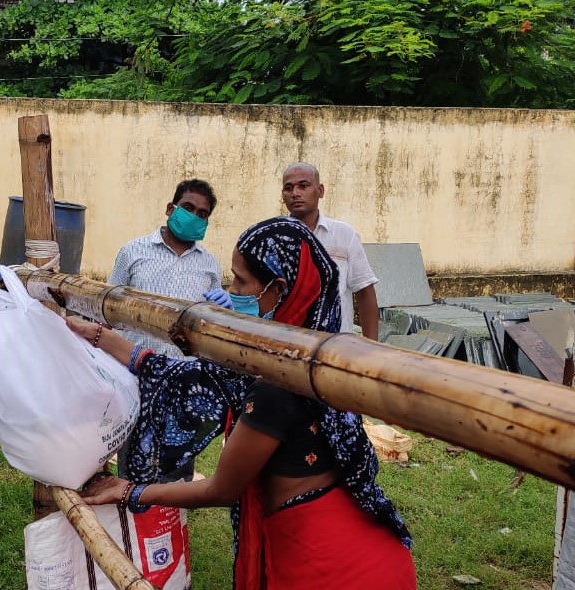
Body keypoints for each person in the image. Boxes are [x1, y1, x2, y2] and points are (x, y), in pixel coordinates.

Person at [71, 217, 414, 589]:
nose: (231, 289)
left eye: (240, 280)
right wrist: (100, 336)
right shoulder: (322, 353)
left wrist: (130, 491)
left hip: (330, 565)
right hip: (369, 548)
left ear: (278, 289)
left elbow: (221, 489)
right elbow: (184, 377)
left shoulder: (279, 384)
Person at [107, 179, 223, 359]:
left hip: (185, 370)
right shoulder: (132, 251)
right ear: (170, 209)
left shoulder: (210, 264)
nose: (194, 216)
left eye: (202, 214)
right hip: (134, 365)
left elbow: (213, 321)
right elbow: (107, 308)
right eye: (187, 208)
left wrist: (223, 309)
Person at [280, 162, 380, 339]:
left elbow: (364, 292)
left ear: (320, 190)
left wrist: (372, 348)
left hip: (338, 347)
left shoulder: (344, 235)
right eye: (289, 188)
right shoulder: (275, 237)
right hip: (289, 346)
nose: (295, 193)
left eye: (303, 186)